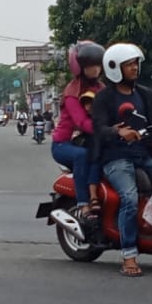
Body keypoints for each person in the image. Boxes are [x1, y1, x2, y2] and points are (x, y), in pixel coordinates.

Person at [90, 42, 152, 278]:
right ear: (115, 68)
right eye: (129, 64)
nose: (134, 68)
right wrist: (118, 131)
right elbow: (98, 127)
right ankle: (129, 255)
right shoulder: (104, 98)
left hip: (143, 154)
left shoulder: (144, 94)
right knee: (129, 199)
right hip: (116, 158)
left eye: (135, 63)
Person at [52, 41, 106, 225]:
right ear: (80, 67)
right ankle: (84, 204)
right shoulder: (72, 92)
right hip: (63, 145)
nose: (96, 69)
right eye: (91, 65)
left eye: (98, 65)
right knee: (82, 156)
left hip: (89, 140)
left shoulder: (101, 88)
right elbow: (81, 122)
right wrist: (107, 131)